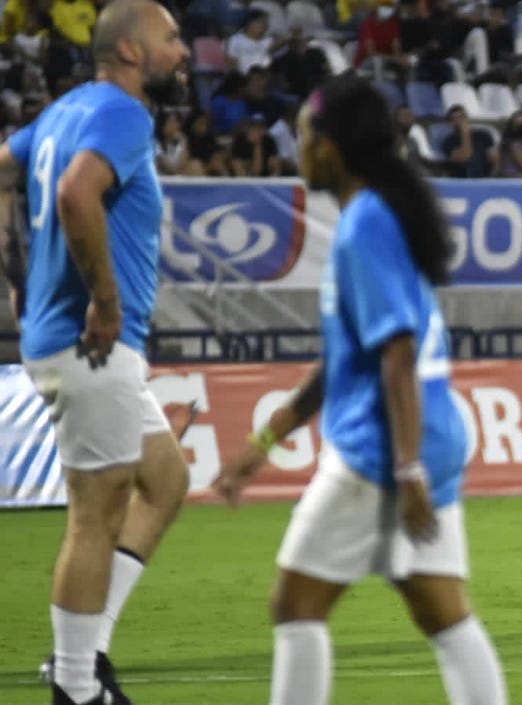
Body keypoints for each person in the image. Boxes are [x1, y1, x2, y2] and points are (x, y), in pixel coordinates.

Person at [211, 74, 508, 705]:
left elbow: (397, 353)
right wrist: (266, 440)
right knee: (444, 615)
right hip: (425, 439)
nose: (299, 150)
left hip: (381, 450)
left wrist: (405, 469)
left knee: (295, 604)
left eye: (306, 136)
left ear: (332, 147)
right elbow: (349, 360)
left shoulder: (365, 225)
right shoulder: (381, 215)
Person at [0, 2, 191, 703]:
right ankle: (76, 685)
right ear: (134, 52)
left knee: (165, 480)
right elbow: (77, 194)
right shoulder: (122, 114)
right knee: (94, 514)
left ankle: (87, 650)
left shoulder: (62, 111)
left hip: (74, 345)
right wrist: (105, 300)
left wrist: (17, 269)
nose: (184, 52)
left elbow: (3, 169)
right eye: (172, 40)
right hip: (93, 345)